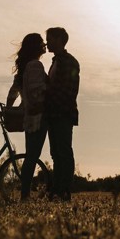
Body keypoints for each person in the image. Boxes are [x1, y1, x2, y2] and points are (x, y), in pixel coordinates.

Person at [6, 33, 48, 200]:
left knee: (30, 155)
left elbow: (13, 92)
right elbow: (38, 92)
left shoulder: (24, 67)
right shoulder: (36, 65)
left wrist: (10, 109)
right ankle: (25, 195)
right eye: (41, 43)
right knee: (32, 156)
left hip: (28, 117)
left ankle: (25, 194)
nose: (44, 45)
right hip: (38, 116)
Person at [44, 26, 79, 201]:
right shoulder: (56, 61)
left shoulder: (69, 62)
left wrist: (48, 97)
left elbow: (68, 90)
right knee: (56, 153)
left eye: (49, 39)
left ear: (59, 40)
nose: (46, 42)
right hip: (54, 113)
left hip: (62, 113)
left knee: (63, 151)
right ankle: (57, 189)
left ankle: (64, 189)